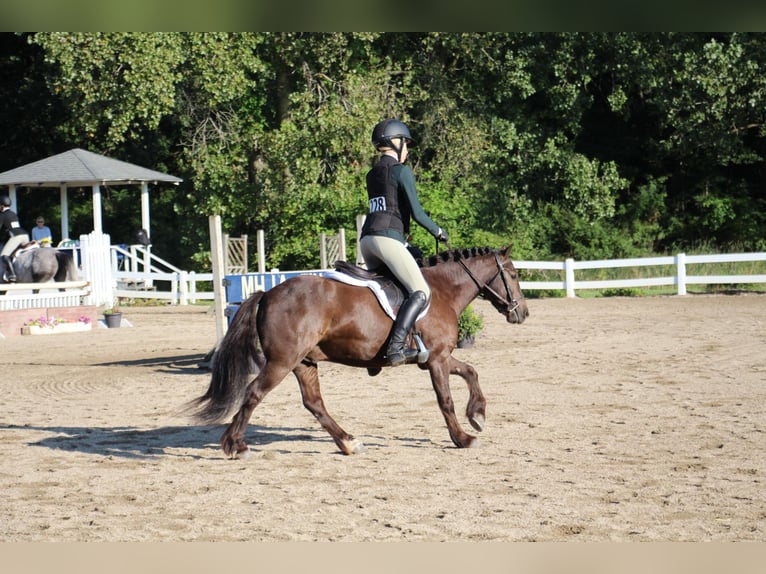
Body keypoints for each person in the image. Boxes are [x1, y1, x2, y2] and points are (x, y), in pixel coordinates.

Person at [359, 119, 449, 366]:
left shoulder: (372, 174)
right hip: (386, 241)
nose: (407, 150)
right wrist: (439, 231)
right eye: (405, 144)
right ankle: (396, 348)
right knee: (420, 291)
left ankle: (375, 345)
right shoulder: (401, 171)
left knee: (390, 291)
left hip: (367, 240)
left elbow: (387, 206)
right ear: (395, 143)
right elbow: (417, 213)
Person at [0, 195, 30, 282]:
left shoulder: (2, 215)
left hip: (17, 237)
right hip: (25, 236)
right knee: (13, 254)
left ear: (2, 206)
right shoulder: (13, 213)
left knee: (4, 255)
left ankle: (12, 274)